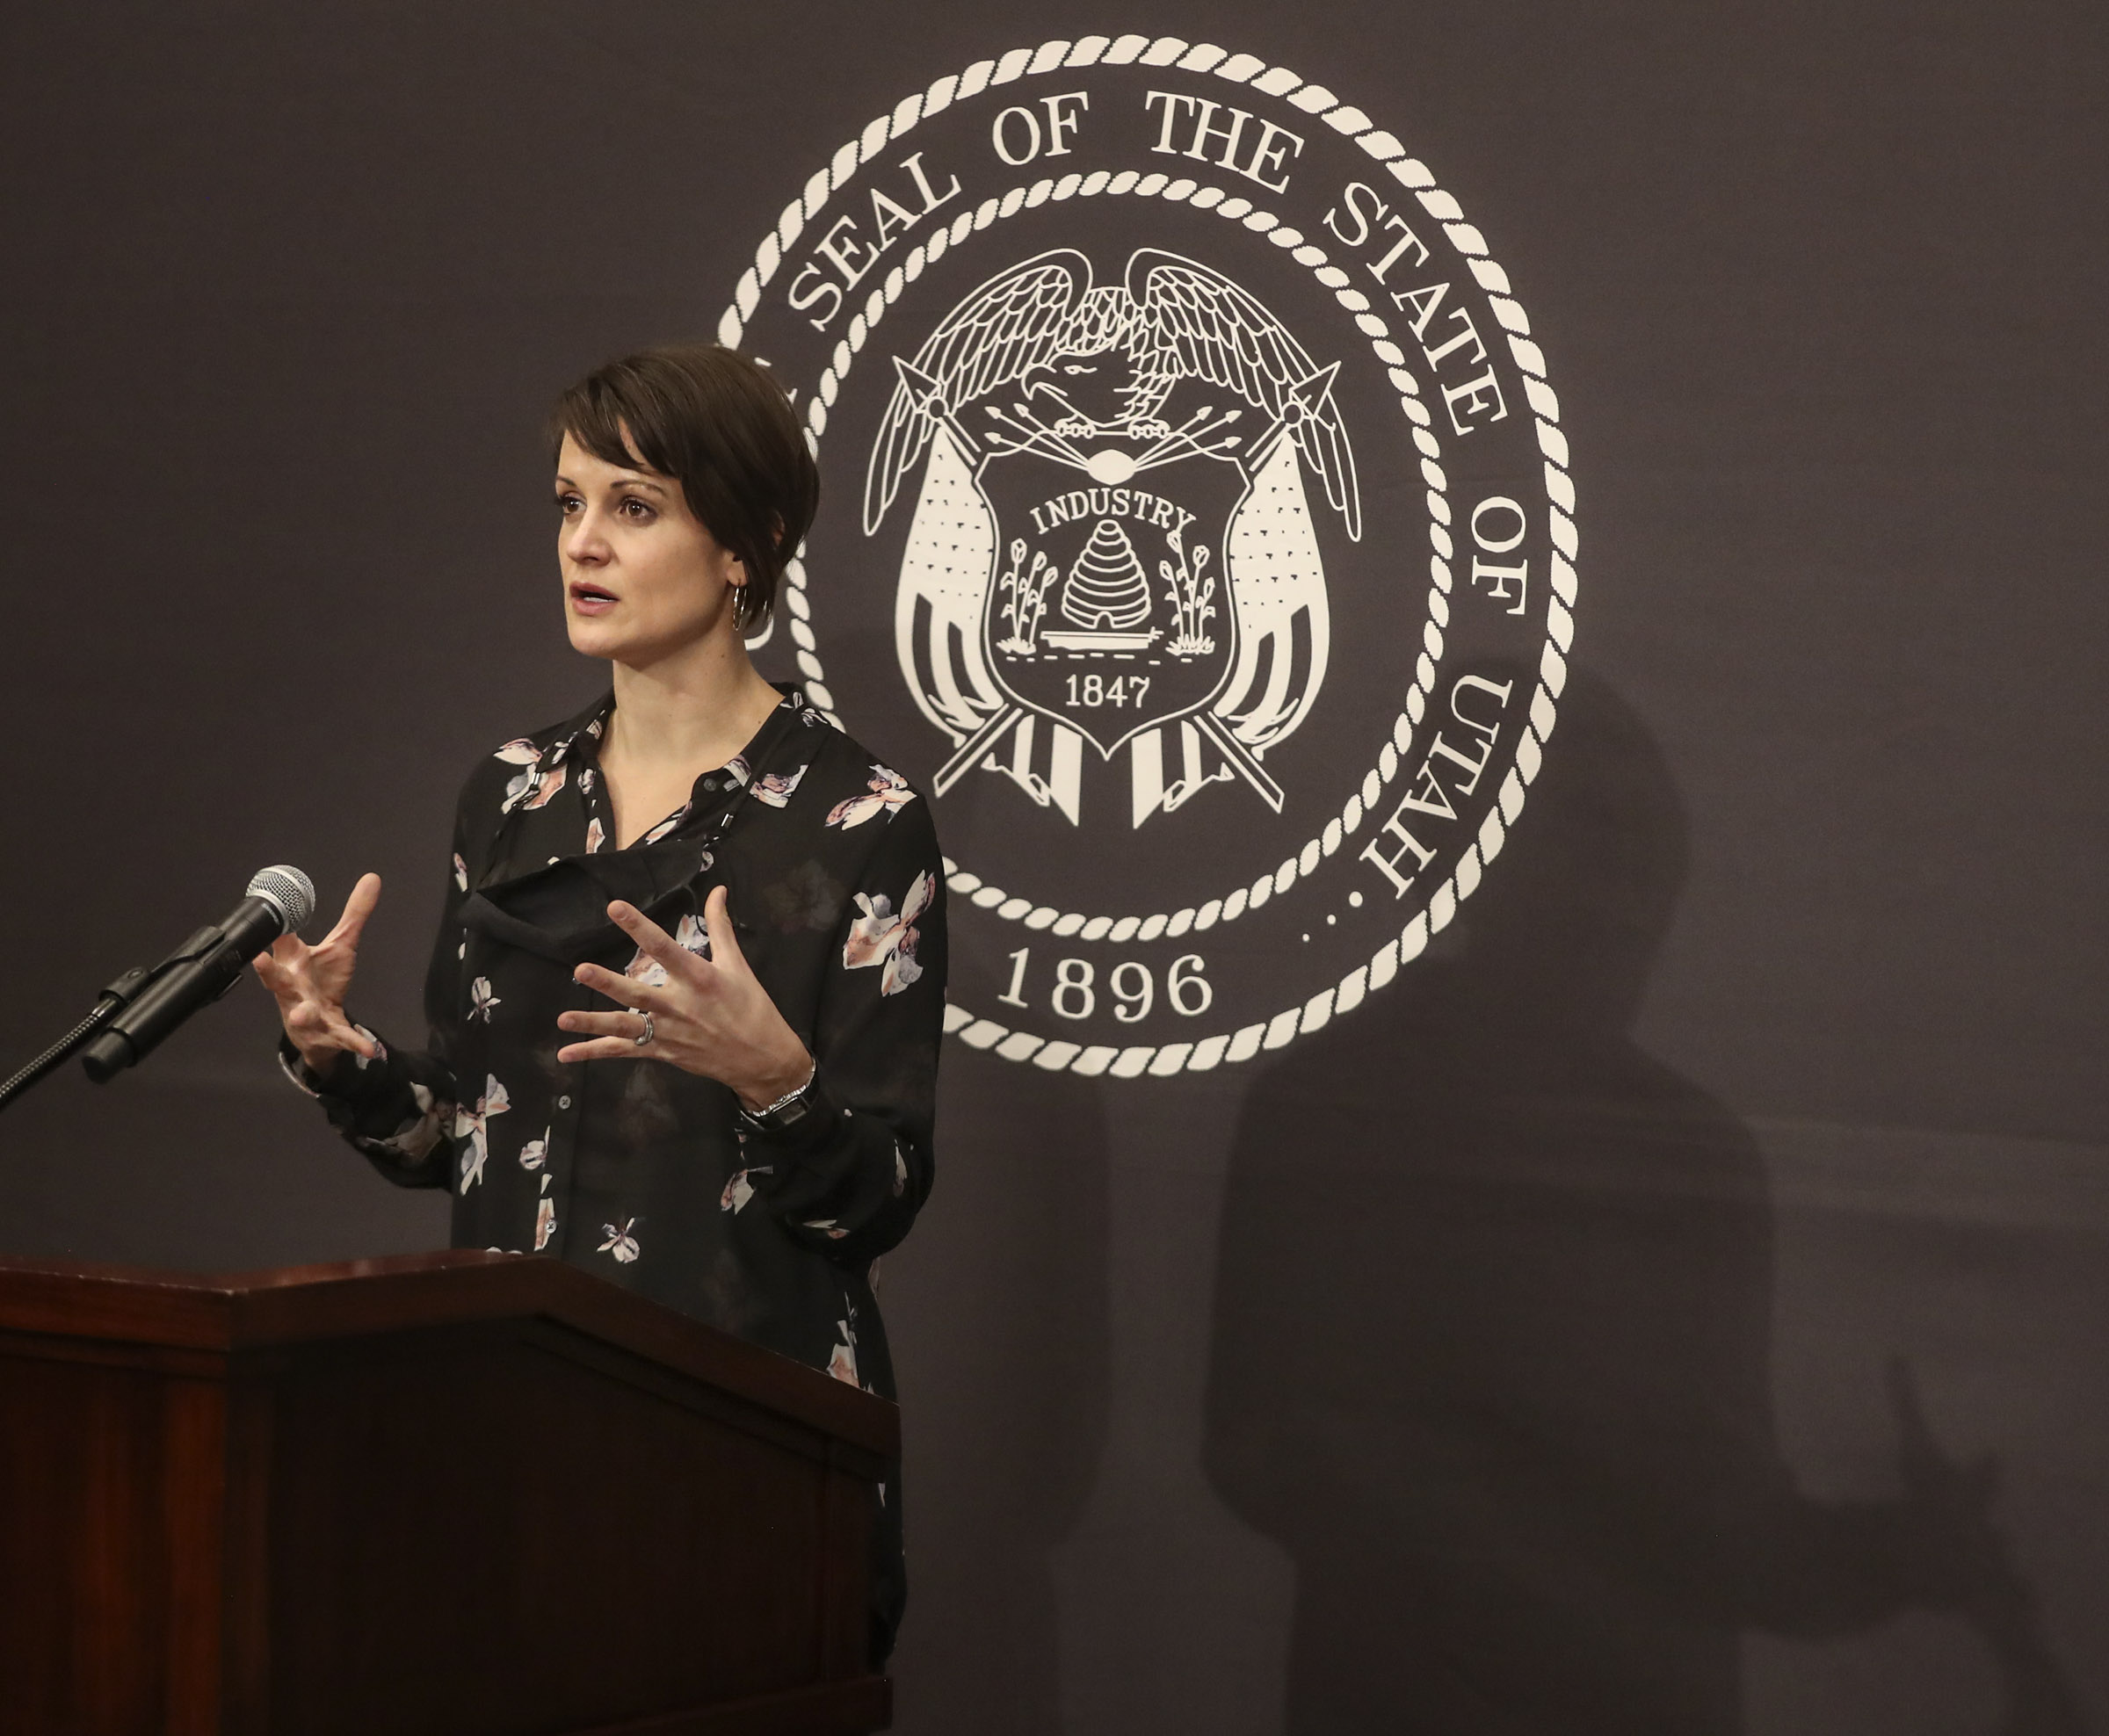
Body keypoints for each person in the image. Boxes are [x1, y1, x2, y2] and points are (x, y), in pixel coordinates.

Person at [252, 343, 946, 1661]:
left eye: (636, 506)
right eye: (569, 504)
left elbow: (882, 1196)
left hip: (742, 1456)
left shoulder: (859, 821)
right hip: (507, 1443)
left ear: (747, 542)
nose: (587, 542)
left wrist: (774, 1081)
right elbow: (461, 1138)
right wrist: (345, 1062)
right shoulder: (509, 796)